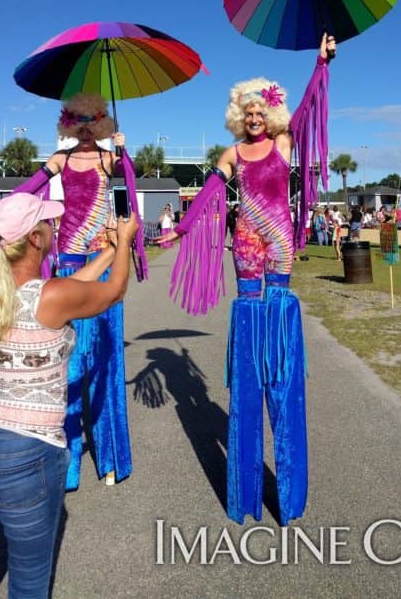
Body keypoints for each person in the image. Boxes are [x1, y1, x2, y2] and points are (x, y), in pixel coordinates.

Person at [0, 193, 138, 598]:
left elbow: (70, 289)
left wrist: (106, 253)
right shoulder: (48, 297)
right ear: (36, 239)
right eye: (49, 223)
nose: (55, 228)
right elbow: (112, 294)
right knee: (29, 583)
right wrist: (125, 242)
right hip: (24, 451)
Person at [158, 32, 336, 526]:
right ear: (240, 115)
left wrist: (321, 64)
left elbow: (306, 109)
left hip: (279, 246)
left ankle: (289, 493)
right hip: (247, 249)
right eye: (248, 113)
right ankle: (244, 493)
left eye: (261, 112)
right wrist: (180, 231)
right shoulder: (232, 154)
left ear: (270, 115)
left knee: (280, 351)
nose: (255, 119)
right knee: (249, 331)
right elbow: (211, 193)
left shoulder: (283, 141)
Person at [8, 92, 146, 491]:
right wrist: (13, 207)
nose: (85, 127)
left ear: (103, 122)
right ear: (67, 123)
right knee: (67, 366)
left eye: (93, 119)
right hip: (69, 265)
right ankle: (66, 466)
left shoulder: (110, 159)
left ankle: (110, 456)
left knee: (105, 363)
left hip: (101, 263)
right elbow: (34, 183)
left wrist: (125, 157)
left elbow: (127, 202)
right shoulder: (61, 160)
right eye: (78, 119)